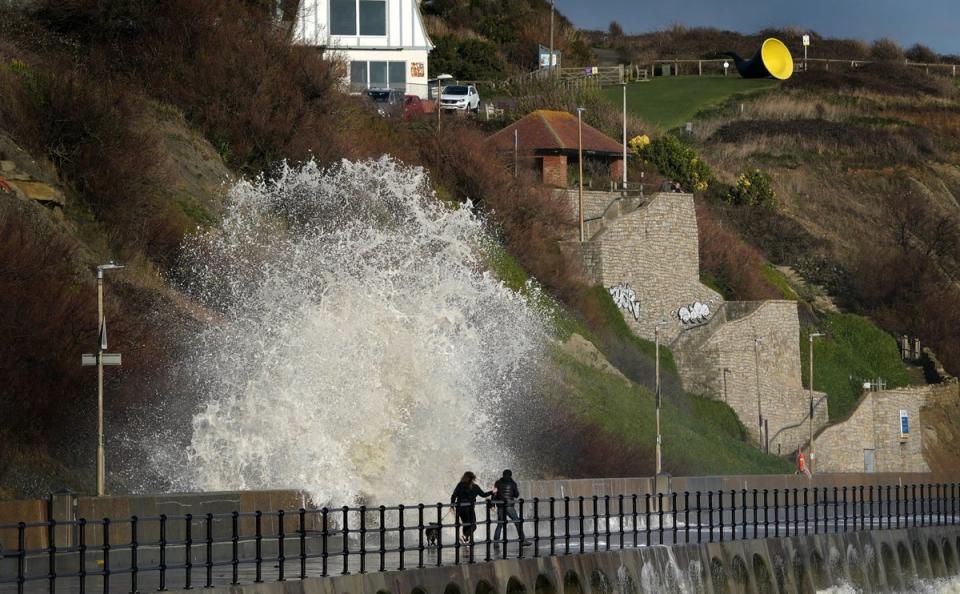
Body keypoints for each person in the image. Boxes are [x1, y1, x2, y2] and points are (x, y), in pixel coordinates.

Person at [450, 471, 493, 543]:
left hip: (460, 508)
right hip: (469, 508)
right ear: (473, 479)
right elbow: (484, 495)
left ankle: (465, 537)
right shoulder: (475, 487)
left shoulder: (460, 485)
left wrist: (452, 506)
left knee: (466, 524)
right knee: (473, 525)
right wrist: (492, 491)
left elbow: (454, 495)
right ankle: (465, 536)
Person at [493, 469, 531, 547]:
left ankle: (495, 543)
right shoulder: (512, 483)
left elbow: (494, 493)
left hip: (500, 506)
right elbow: (516, 495)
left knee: (500, 525)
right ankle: (523, 540)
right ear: (510, 475)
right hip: (509, 506)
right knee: (517, 523)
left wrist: (492, 505)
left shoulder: (498, 483)